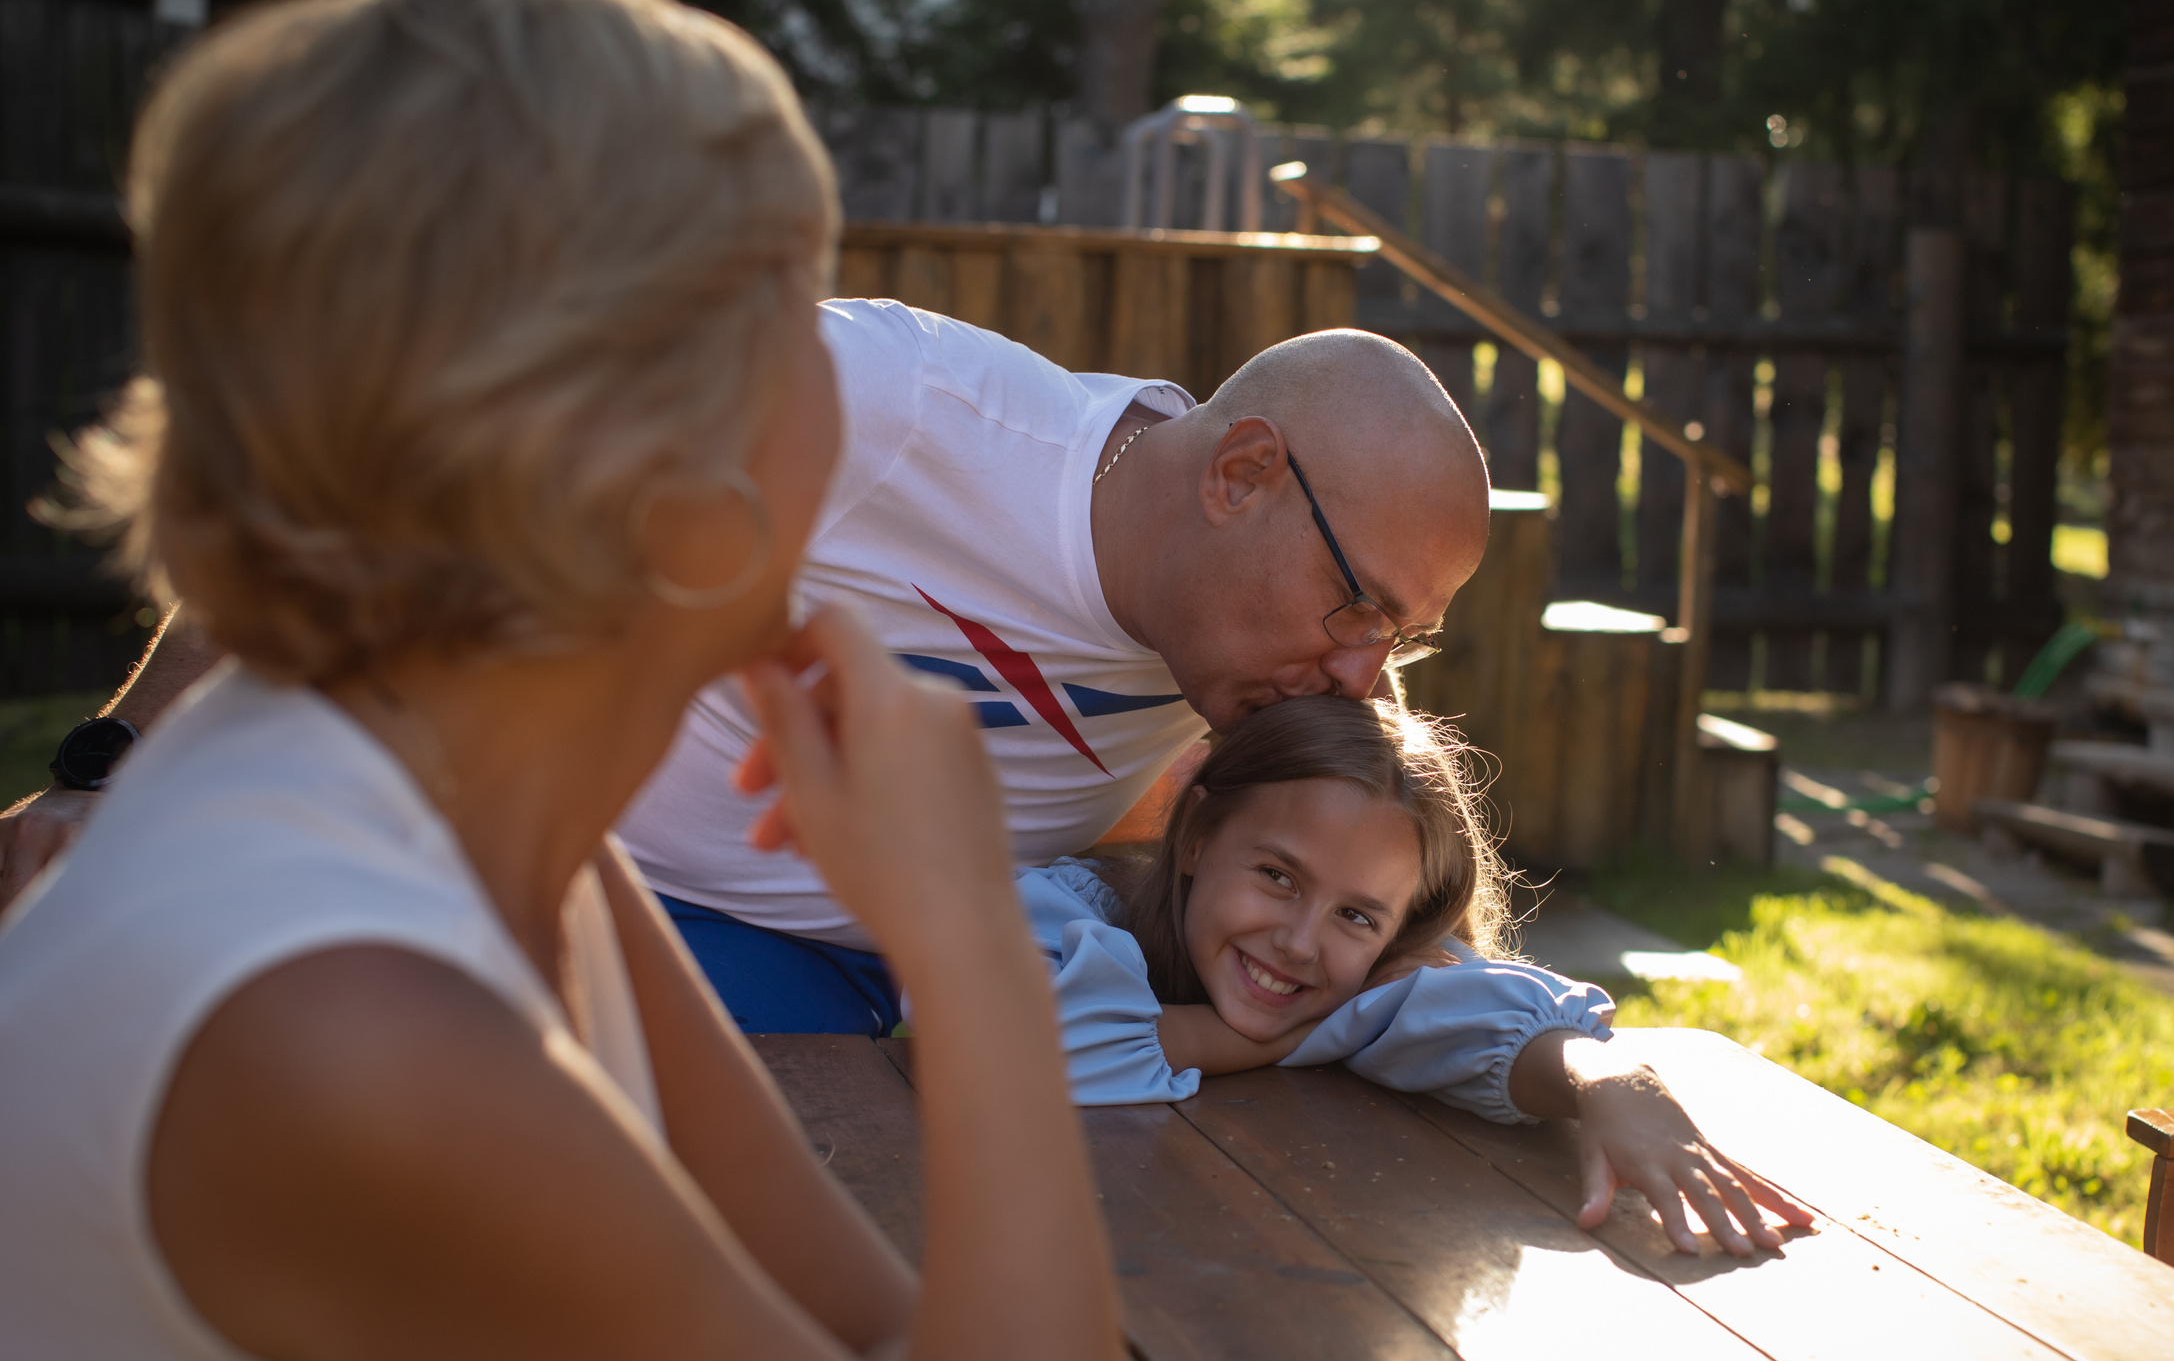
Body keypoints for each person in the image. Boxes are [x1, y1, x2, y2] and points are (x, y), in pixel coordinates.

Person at [0, 0, 1122, 1361]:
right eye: (800, 320)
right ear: (674, 470)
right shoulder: (344, 1023)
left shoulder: (489, 838)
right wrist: (970, 941)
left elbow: (872, 1354)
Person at [0, 320, 1498, 1049]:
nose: (1365, 671)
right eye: (1359, 604)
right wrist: (116, 771)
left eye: (1405, 635)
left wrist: (1571, 1065)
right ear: (1241, 474)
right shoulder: (876, 404)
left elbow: (1391, 898)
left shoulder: (1269, 671)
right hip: (562, 912)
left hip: (886, 1005)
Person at [1010, 695, 1817, 1257]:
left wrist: (1608, 1078)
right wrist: (1289, 1034)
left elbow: (1481, 1008)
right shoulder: (1061, 913)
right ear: (1195, 837)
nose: (1299, 943)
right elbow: (1032, 1048)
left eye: (1357, 916)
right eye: (1278, 876)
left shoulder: (1373, 976)